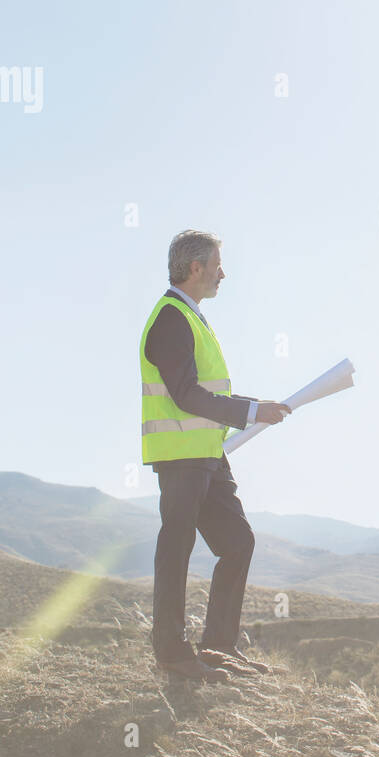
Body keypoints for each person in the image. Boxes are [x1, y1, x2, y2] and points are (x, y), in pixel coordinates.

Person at [140, 229, 291, 682]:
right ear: (195, 268)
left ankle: (219, 646)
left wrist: (255, 408)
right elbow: (186, 395)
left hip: (209, 454)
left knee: (237, 543)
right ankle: (172, 653)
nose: (223, 273)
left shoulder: (192, 317)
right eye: (217, 265)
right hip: (181, 456)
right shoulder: (170, 318)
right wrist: (248, 411)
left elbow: (207, 392)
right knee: (177, 549)